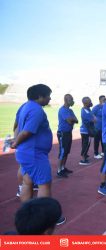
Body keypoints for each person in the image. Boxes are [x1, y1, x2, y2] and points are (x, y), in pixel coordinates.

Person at [10, 84, 65, 225]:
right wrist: (16, 142)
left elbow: (16, 125)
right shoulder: (36, 110)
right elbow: (27, 131)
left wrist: (16, 141)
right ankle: (45, 218)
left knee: (27, 182)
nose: (49, 98)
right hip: (34, 154)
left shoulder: (24, 106)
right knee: (44, 184)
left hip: (26, 152)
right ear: (39, 96)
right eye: (48, 95)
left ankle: (26, 213)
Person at [57, 94, 78, 178]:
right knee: (62, 151)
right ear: (66, 100)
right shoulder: (62, 110)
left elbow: (76, 120)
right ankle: (59, 170)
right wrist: (72, 119)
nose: (73, 101)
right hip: (63, 133)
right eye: (71, 99)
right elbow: (70, 121)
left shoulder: (70, 110)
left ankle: (63, 168)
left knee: (66, 151)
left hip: (68, 133)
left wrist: (72, 119)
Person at [79, 96, 95, 165]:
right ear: (85, 103)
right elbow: (92, 120)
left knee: (86, 144)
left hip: (86, 130)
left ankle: (84, 155)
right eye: (89, 102)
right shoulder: (85, 111)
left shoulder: (88, 109)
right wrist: (93, 120)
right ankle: (83, 159)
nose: (91, 102)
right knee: (86, 144)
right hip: (86, 130)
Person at [92, 95, 106, 159]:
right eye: (103, 99)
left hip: (104, 127)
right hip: (97, 127)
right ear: (100, 100)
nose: (104, 101)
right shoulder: (96, 108)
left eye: (105, 99)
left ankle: (103, 151)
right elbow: (92, 115)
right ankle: (96, 153)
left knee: (104, 140)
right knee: (96, 141)